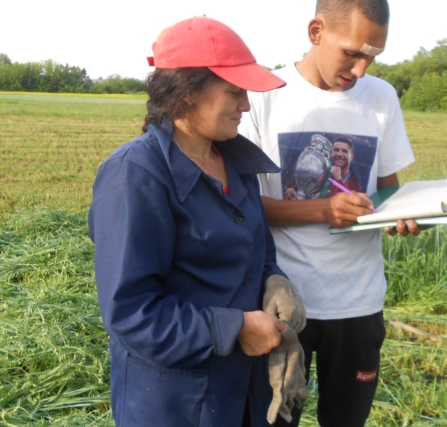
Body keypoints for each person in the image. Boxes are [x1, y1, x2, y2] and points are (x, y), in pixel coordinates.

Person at [88, 17, 307, 427]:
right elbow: (131, 314)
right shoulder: (136, 174)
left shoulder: (237, 164)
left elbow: (257, 254)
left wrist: (274, 280)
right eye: (234, 91)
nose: (245, 105)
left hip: (246, 394)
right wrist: (234, 327)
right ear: (187, 92)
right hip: (176, 405)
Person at [239, 1, 429, 426]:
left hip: (359, 304)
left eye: (372, 57)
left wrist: (407, 215)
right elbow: (244, 210)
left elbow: (388, 192)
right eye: (352, 53)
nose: (360, 69)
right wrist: (322, 209)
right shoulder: (261, 96)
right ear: (315, 31)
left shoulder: (381, 97)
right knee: (276, 420)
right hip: (284, 305)